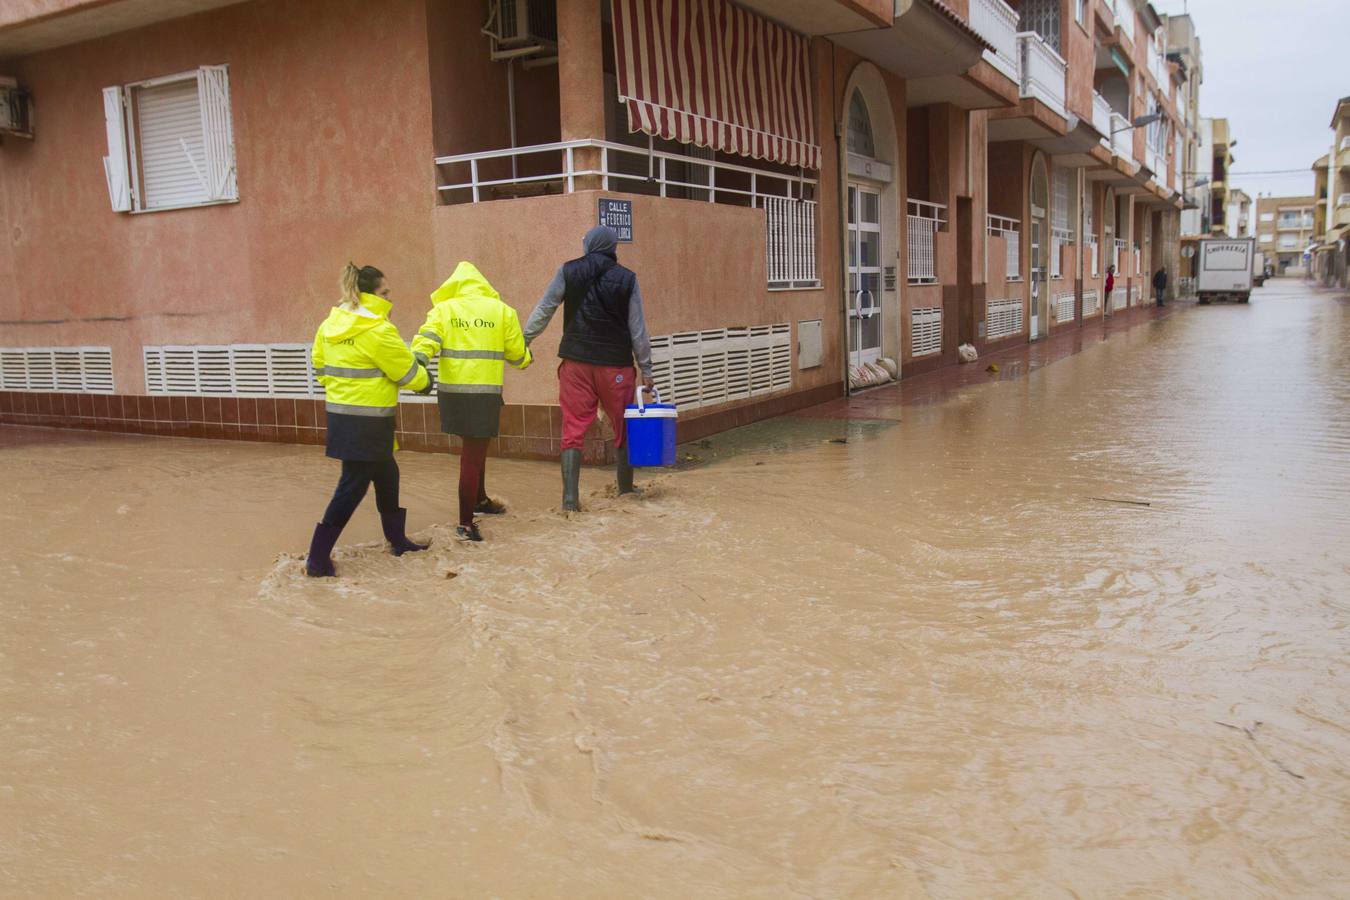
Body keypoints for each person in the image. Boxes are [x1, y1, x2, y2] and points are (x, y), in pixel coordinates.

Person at [306, 263, 433, 577]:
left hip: (343, 416)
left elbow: (319, 367)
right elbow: (407, 374)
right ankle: (317, 559)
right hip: (369, 421)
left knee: (387, 473)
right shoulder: (378, 329)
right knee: (352, 486)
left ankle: (397, 540)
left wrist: (346, 390)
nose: (390, 297)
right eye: (385, 292)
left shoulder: (330, 325)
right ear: (370, 294)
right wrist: (424, 379)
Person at [523, 225, 653, 512]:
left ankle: (570, 501)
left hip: (576, 364)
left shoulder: (568, 271)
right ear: (612, 247)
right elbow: (638, 329)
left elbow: (545, 308)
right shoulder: (627, 279)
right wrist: (647, 368)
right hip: (615, 366)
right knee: (623, 425)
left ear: (589, 245)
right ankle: (626, 490)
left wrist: (524, 340)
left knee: (573, 428)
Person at [412, 262, 531, 542]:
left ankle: (480, 500)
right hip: (483, 393)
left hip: (452, 393)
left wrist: (417, 363)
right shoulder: (502, 311)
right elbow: (517, 355)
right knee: (472, 454)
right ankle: (465, 524)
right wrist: (527, 358)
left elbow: (425, 341)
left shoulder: (444, 310)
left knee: (475, 447)